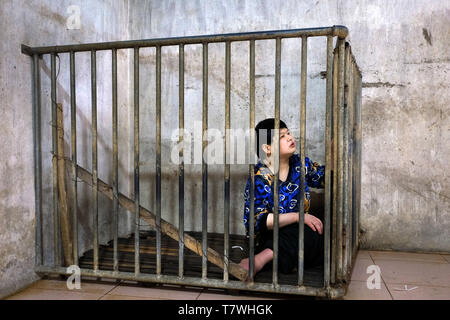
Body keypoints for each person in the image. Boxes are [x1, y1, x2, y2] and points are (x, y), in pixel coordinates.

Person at [239, 118, 325, 278]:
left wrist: (336, 156)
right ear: (267, 148)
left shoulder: (300, 164)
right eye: (282, 136)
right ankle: (261, 259)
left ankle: (282, 261)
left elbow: (324, 178)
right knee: (303, 233)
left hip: (299, 230)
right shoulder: (260, 176)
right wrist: (298, 216)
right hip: (270, 235)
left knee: (317, 230)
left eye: (289, 133)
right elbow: (258, 220)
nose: (290, 138)